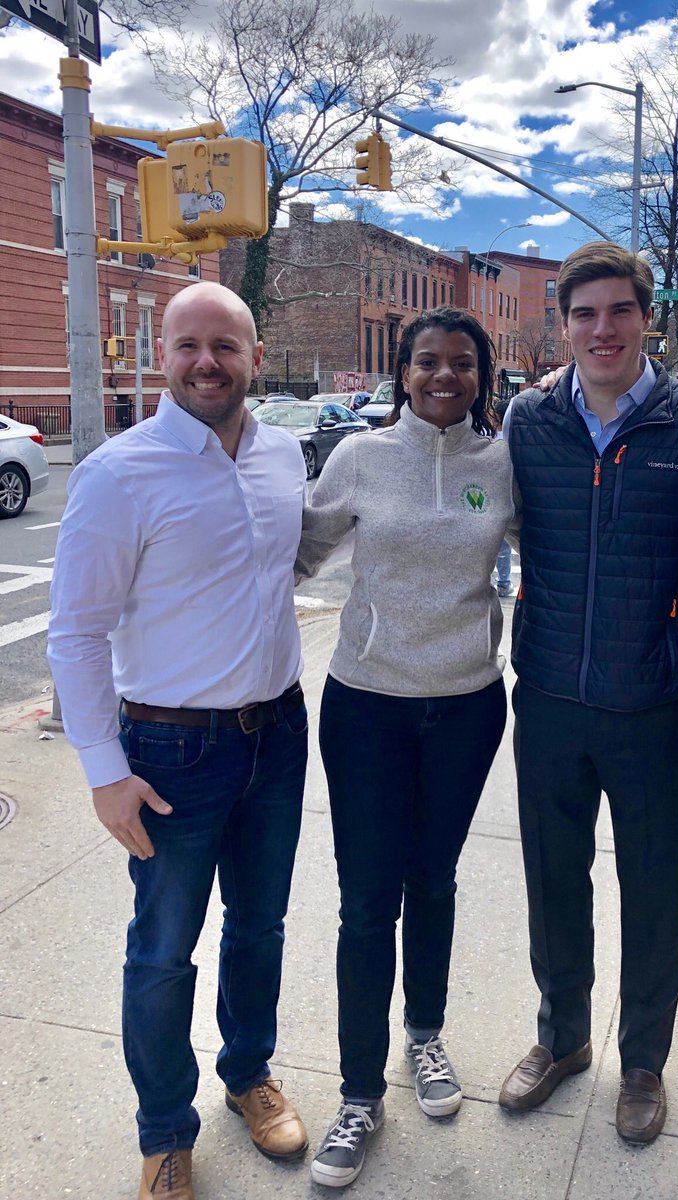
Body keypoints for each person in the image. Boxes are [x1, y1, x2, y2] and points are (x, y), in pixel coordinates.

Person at [47, 282, 310, 1200]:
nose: (208, 362)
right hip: (167, 755)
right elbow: (75, 632)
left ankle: (249, 1075)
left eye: (226, 346)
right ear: (161, 354)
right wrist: (103, 772)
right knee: (161, 951)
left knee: (262, 926)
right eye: (190, 345)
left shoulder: (284, 454)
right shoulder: (119, 473)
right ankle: (165, 1131)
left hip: (277, 734)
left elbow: (288, 568)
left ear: (254, 356)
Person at [499, 241, 678, 1144]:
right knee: (552, 882)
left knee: (651, 889)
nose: (602, 329)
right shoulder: (527, 420)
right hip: (552, 699)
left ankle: (643, 1061)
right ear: (563, 325)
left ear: (648, 318)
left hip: (651, 707)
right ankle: (561, 1039)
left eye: (619, 311)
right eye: (584, 313)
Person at [296, 307, 516, 1189]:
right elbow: (295, 555)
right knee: (364, 900)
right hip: (368, 708)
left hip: (465, 708)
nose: (443, 376)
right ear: (401, 370)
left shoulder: (502, 464)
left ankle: (423, 1037)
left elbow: (557, 555)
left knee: (434, 879)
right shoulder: (358, 457)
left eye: (461, 364)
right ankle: (358, 1092)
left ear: (481, 376)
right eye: (427, 361)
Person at [490, 394, 515, 597]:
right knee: (504, 548)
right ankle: (504, 583)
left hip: (490, 499)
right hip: (508, 499)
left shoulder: (489, 440)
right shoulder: (514, 440)